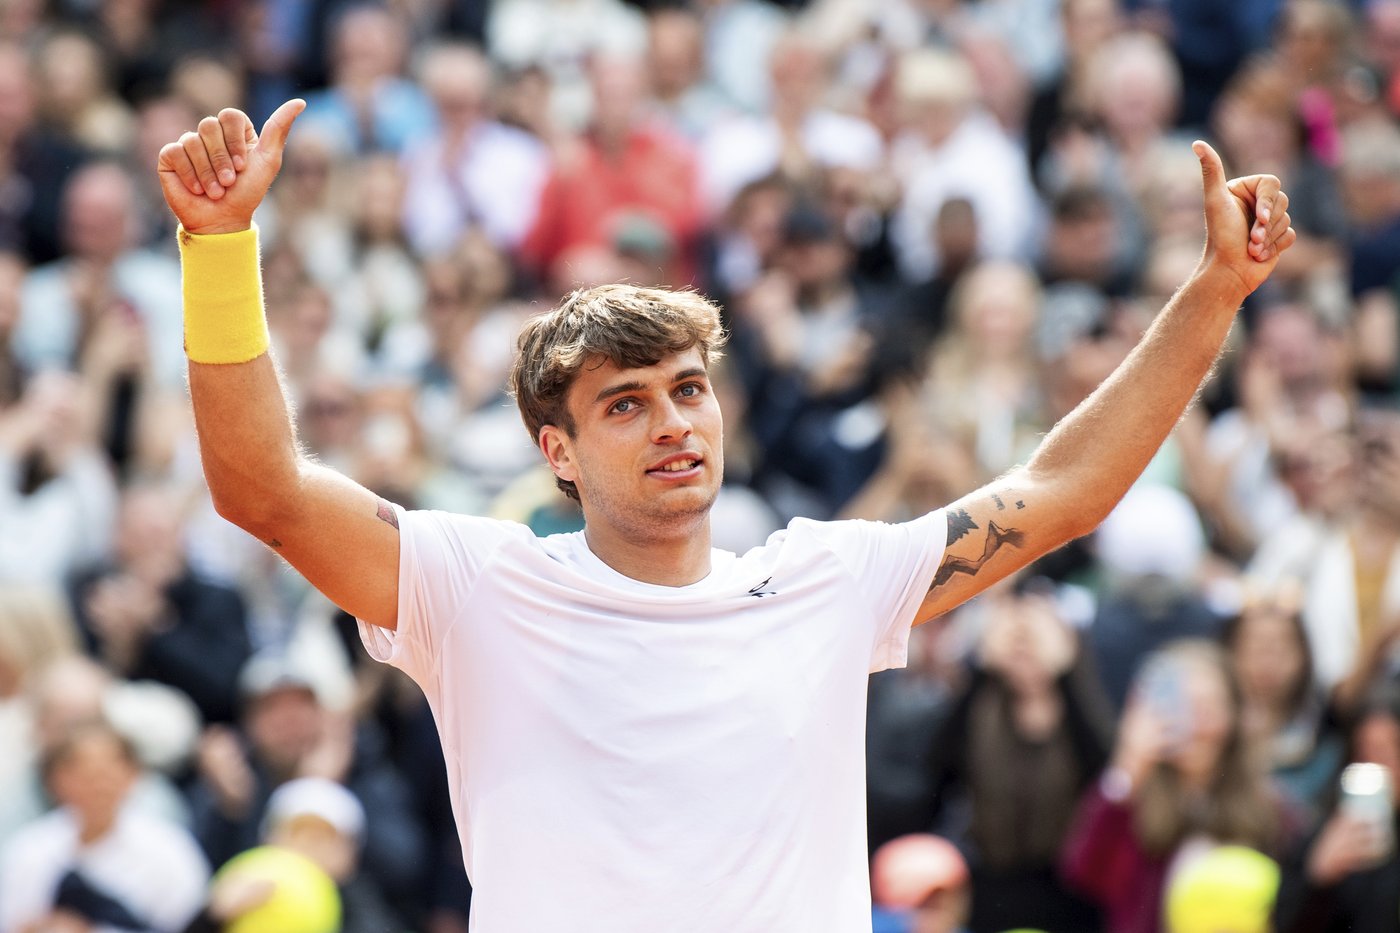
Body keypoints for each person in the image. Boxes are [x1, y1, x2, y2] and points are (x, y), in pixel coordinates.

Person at [155, 97, 1296, 930]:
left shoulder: (827, 581)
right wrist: (218, 250)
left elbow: (1061, 495)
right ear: (556, 451)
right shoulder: (475, 583)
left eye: (689, 391)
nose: (673, 425)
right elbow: (262, 491)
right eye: (625, 405)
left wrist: (1211, 293)